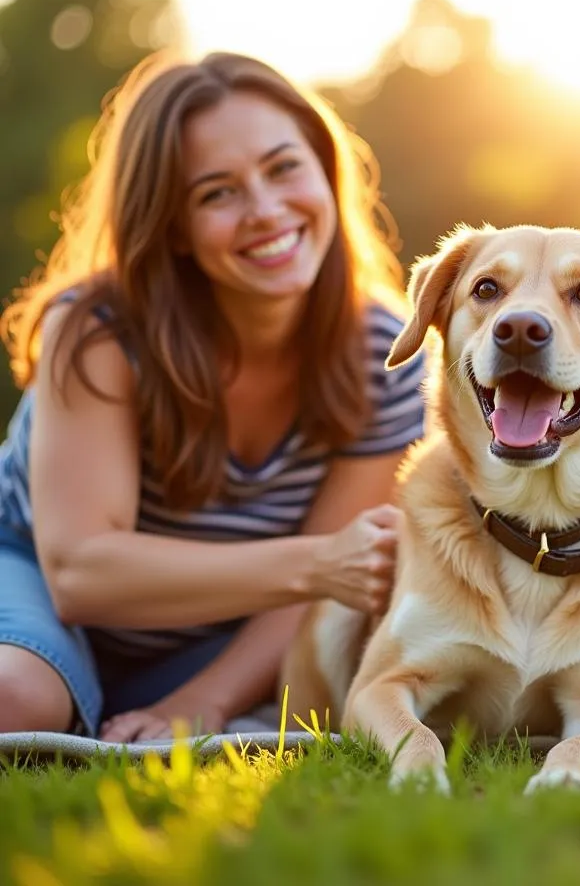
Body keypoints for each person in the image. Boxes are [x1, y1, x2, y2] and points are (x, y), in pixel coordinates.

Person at [0, 51, 426, 741]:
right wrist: (316, 561)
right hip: (38, 589)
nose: (265, 210)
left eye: (285, 167)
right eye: (216, 193)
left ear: (325, 169)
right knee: (16, 702)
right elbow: (82, 572)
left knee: (374, 671)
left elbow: (331, 591)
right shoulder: (96, 330)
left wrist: (203, 702)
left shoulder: (389, 351)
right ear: (172, 227)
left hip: (220, 631)